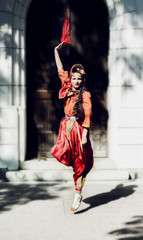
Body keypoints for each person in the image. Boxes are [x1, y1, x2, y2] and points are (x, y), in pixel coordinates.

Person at [51, 42, 94, 211]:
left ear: (83, 80)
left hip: (78, 129)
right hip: (66, 128)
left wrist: (84, 135)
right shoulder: (67, 87)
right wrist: (56, 51)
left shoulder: (86, 95)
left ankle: (77, 193)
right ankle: (77, 188)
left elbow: (88, 115)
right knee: (63, 153)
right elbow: (60, 69)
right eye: (74, 78)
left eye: (78, 79)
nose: (76, 81)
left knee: (80, 161)